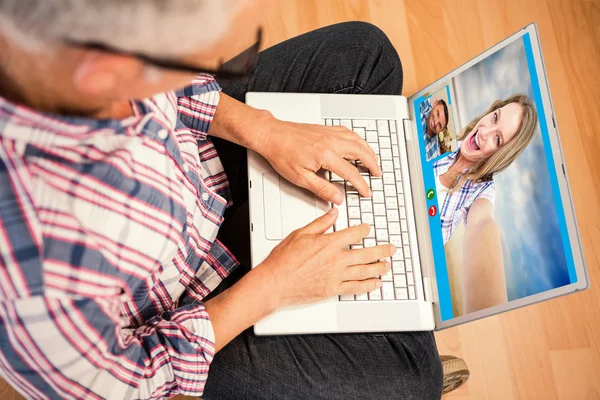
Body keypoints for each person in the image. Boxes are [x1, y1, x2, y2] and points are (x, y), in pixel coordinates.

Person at [0, 1, 444, 399]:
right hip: (192, 304)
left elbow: (180, 89)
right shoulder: (30, 281)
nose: (221, 62)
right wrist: (272, 288)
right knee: (418, 375)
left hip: (200, 168)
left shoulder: (82, 47)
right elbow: (131, 381)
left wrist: (267, 130)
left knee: (366, 54)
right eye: (210, 53)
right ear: (106, 74)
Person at [433, 94, 538, 314]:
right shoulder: (447, 145)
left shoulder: (482, 191)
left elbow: (483, 224)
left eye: (498, 140)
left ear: (501, 154)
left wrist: (489, 316)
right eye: (495, 118)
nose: (484, 133)